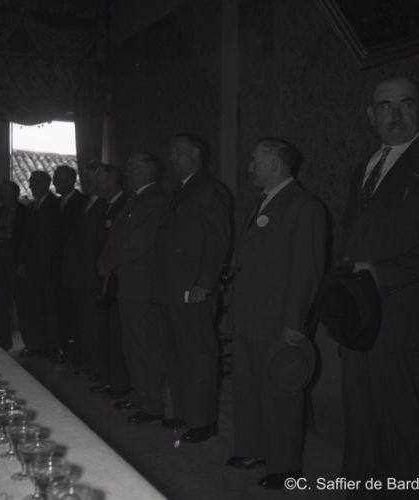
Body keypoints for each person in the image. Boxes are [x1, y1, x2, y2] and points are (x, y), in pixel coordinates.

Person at [340, 77, 419, 499]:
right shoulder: (366, 165)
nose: (395, 115)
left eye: (406, 105)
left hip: (404, 322)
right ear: (371, 115)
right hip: (359, 321)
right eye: (385, 106)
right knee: (362, 425)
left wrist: (383, 273)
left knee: (408, 431)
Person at [226, 138, 326, 488]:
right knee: (248, 388)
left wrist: (295, 322)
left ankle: (285, 467)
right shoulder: (265, 201)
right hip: (250, 316)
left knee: (280, 393)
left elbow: (307, 269)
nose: (249, 168)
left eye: (255, 161)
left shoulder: (304, 206)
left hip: (278, 319)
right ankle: (254, 450)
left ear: (276, 163)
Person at [151, 133, 230, 442]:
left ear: (196, 154)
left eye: (177, 151)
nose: (171, 156)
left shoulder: (210, 189)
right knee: (175, 355)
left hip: (192, 290)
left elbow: (217, 240)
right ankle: (183, 412)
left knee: (198, 356)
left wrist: (204, 284)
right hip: (171, 289)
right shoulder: (181, 190)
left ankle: (204, 421)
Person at [104, 153, 167, 423]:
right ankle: (140, 395)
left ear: (149, 170)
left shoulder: (155, 200)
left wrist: (107, 263)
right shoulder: (138, 199)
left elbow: (138, 244)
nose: (127, 172)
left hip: (142, 285)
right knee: (132, 345)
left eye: (132, 167)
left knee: (144, 346)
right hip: (130, 283)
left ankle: (152, 405)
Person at [61, 161, 107, 368]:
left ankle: (96, 364)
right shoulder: (85, 203)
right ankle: (87, 360)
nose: (87, 182)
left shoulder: (104, 204)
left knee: (94, 321)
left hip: (93, 273)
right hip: (79, 273)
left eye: (91, 178)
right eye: (85, 178)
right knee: (82, 320)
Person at [93, 164, 130, 398]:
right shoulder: (104, 205)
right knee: (106, 332)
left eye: (101, 180)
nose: (96, 185)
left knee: (118, 335)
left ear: (113, 180)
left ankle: (120, 384)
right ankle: (109, 379)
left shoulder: (124, 204)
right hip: (103, 274)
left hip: (117, 277)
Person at [18, 170, 59, 357]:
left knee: (49, 307)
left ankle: (52, 347)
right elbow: (26, 239)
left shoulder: (56, 205)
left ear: (45, 184)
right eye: (30, 182)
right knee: (34, 307)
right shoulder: (31, 207)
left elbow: (55, 239)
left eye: (34, 182)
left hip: (48, 266)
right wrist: (23, 263)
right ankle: (36, 344)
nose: (30, 186)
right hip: (32, 267)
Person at [52, 164, 86, 362]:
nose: (54, 182)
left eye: (58, 178)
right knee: (61, 311)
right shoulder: (56, 204)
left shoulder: (82, 202)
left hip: (73, 269)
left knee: (75, 313)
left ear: (71, 181)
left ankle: (76, 354)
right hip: (57, 268)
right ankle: (63, 349)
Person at [0, 181, 27, 350]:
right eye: (1, 192)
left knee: (22, 302)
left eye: (5, 192)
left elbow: (28, 241)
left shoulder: (26, 213)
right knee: (1, 302)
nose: (1, 195)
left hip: (16, 260)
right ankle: (3, 342)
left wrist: (23, 262)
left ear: (15, 194)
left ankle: (29, 343)